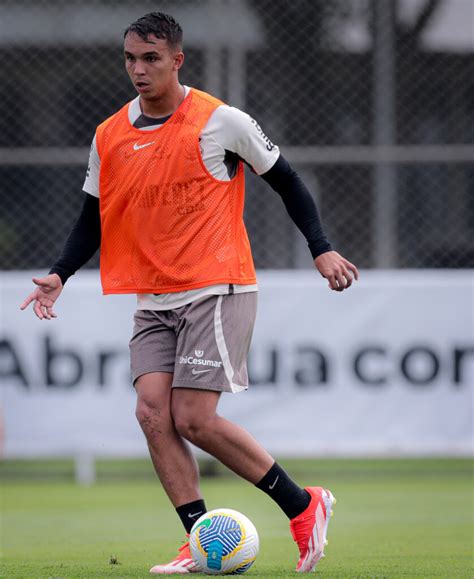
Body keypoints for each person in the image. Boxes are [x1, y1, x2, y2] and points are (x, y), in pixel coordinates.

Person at [21, 11, 358, 575]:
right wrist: (60, 272)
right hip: (152, 298)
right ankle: (201, 542)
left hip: (217, 288)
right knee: (154, 415)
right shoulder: (109, 134)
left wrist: (320, 246)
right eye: (130, 58)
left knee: (193, 418)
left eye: (151, 58)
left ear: (177, 60)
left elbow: (288, 180)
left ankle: (304, 506)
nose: (138, 69)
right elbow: (92, 217)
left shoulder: (220, 121)